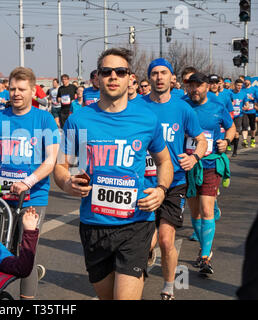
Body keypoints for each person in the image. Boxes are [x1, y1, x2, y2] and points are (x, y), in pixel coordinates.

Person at [53, 48, 174, 300]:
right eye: (106, 72)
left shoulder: (146, 119)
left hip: (136, 223)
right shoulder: (79, 119)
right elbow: (60, 166)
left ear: (130, 78)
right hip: (94, 226)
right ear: (96, 78)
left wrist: (161, 190)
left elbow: (164, 162)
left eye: (120, 71)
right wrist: (67, 184)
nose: (113, 76)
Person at [0, 66, 60, 300]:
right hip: (2, 196)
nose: (16, 93)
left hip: (33, 196)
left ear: (33, 91)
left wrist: (27, 182)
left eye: (21, 89)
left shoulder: (44, 118)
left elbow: (51, 161)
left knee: (25, 250)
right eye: (12, 89)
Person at [142, 58, 207, 300]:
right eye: (155, 73)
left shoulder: (183, 109)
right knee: (146, 242)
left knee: (167, 240)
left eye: (164, 73)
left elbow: (201, 140)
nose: (159, 77)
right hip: (143, 183)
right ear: (149, 78)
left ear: (172, 79)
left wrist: (195, 158)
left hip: (174, 182)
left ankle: (170, 286)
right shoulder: (137, 106)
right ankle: (146, 256)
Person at [185, 72, 235, 275]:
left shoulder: (217, 107)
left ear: (206, 87)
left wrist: (226, 141)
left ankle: (206, 256)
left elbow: (231, 129)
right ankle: (202, 248)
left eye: (199, 85)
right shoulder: (182, 105)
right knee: (194, 212)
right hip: (188, 165)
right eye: (191, 85)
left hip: (210, 164)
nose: (195, 89)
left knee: (207, 208)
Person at [231, 79, 249, 157]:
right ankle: (229, 143)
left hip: (239, 115)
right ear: (235, 85)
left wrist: (246, 107)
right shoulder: (229, 93)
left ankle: (235, 151)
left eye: (241, 86)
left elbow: (247, 104)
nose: (239, 87)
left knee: (236, 133)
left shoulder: (243, 94)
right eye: (238, 85)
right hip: (229, 115)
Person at [241, 77, 257, 148]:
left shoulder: (254, 90)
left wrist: (253, 99)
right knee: (245, 126)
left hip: (252, 110)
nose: (246, 82)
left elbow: (257, 99)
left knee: (252, 127)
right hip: (244, 111)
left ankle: (252, 139)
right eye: (245, 81)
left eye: (247, 81)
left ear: (250, 82)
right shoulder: (242, 90)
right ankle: (245, 140)